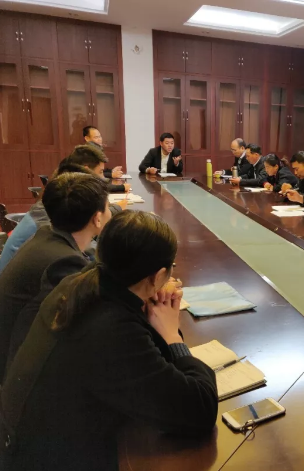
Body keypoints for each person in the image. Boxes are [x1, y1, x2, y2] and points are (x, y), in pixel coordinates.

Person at [0, 211, 218, 471]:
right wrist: (172, 336)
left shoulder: (77, 283)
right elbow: (199, 412)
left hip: (21, 444)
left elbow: (148, 369)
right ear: (159, 276)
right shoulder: (112, 329)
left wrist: (148, 308)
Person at [0, 173, 111, 382]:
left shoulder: (47, 236)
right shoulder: (65, 263)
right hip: (17, 374)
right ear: (97, 219)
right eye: (108, 207)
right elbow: (95, 321)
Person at [0, 147, 126, 274]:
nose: (103, 177)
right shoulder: (64, 258)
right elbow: (92, 262)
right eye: (100, 172)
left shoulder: (54, 216)